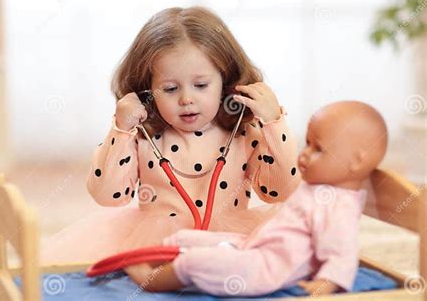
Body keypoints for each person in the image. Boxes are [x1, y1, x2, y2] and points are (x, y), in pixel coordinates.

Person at [41, 6, 300, 264]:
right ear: (146, 90)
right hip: (157, 249)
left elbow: (281, 192)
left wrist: (274, 123)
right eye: (170, 88)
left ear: (226, 82)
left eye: (201, 85)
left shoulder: (245, 134)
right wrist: (121, 130)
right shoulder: (142, 137)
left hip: (227, 246)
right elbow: (107, 196)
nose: (186, 99)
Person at [127, 101, 388, 297]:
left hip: (268, 267)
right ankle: (168, 254)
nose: (305, 154)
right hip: (256, 245)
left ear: (356, 162)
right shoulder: (318, 187)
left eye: (318, 149)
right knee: (189, 237)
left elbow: (342, 252)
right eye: (307, 143)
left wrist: (326, 284)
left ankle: (154, 281)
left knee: (200, 261)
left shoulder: (338, 205)